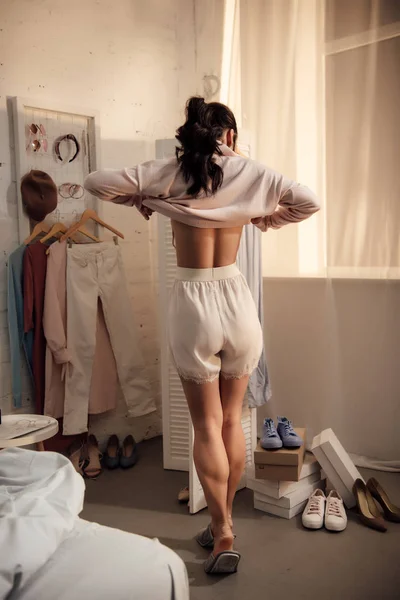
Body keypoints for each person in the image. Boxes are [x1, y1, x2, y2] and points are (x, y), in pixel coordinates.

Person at [84, 96, 320, 574]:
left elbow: (95, 182)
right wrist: (264, 219)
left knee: (207, 427)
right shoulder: (252, 172)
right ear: (229, 136)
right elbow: (308, 201)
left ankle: (224, 528)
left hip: (194, 300)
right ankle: (221, 523)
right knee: (233, 423)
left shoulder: (172, 171)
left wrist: (147, 198)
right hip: (237, 299)